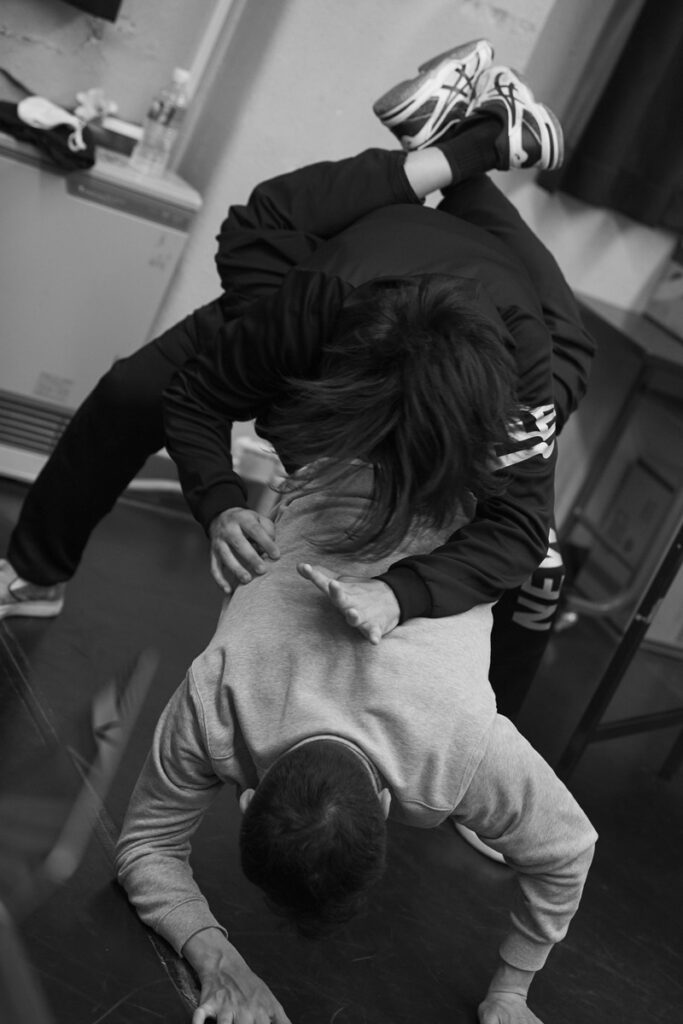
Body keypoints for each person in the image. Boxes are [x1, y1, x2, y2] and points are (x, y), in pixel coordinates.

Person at [0, 41, 594, 718]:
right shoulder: (314, 303)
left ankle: (465, 148)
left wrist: (400, 593)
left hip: (513, 296)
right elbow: (194, 395)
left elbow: (518, 530)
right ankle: (468, 144)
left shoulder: (526, 388)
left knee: (541, 550)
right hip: (362, 265)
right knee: (172, 339)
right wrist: (221, 501)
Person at [114, 463, 597, 1024]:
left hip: (458, 474)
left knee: (537, 564)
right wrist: (511, 989)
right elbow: (569, 849)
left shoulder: (457, 746)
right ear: (387, 806)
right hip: (364, 463)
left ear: (248, 800)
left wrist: (513, 992)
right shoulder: (223, 693)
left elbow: (146, 847)